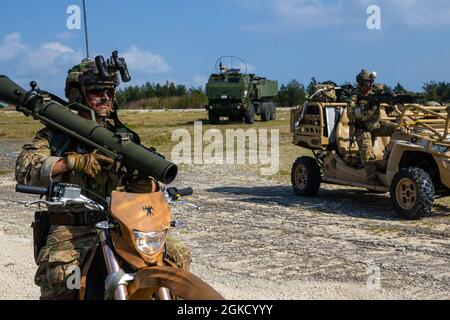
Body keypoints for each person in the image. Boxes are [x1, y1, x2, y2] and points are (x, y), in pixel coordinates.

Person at [15, 58, 190, 300]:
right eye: (98, 91)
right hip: (74, 225)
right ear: (77, 93)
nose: (106, 97)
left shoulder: (122, 137)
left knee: (176, 259)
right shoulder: (55, 135)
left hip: (122, 226)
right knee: (64, 275)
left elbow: (150, 187)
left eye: (110, 91)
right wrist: (72, 162)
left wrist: (143, 182)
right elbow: (25, 168)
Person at [347, 70, 399, 183]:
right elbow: (350, 114)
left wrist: (391, 101)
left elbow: (389, 107)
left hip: (376, 125)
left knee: (398, 130)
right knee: (367, 153)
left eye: (372, 82)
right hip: (362, 128)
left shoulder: (375, 92)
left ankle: (388, 158)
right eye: (368, 82)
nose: (371, 84)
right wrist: (363, 108)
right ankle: (372, 178)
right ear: (361, 83)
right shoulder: (355, 96)